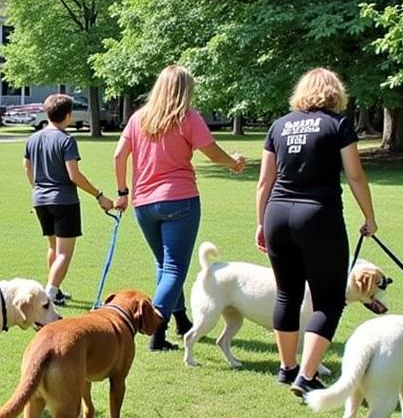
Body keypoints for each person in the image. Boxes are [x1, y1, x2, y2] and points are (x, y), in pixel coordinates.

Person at [256, 67, 377, 396]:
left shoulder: (279, 125)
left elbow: (265, 182)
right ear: (334, 92)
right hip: (318, 216)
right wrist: (369, 216)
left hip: (277, 214)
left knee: (287, 294)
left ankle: (287, 367)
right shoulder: (338, 124)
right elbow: (355, 175)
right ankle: (306, 375)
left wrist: (260, 222)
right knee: (329, 298)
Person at [113, 64, 246, 350]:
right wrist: (233, 162)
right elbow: (211, 152)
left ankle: (180, 321)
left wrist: (122, 191)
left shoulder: (139, 118)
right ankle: (152, 329)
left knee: (164, 265)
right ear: (185, 90)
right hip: (179, 200)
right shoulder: (187, 117)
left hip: (144, 204)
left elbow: (119, 155)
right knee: (173, 269)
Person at [23, 93, 115, 306]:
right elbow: (74, 175)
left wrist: (37, 187)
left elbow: (28, 167)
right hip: (63, 201)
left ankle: (56, 291)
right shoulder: (66, 140)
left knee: (53, 247)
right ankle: (50, 293)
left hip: (40, 199)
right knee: (64, 252)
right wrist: (99, 195)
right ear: (67, 115)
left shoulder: (33, 138)